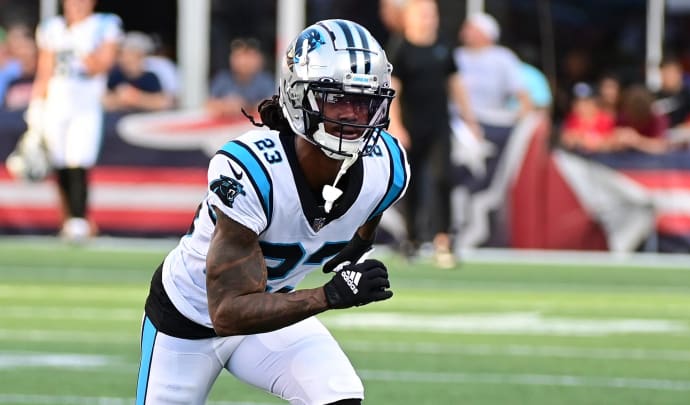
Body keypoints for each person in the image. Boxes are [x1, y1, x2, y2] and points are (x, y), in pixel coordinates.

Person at [135, 19, 409, 405]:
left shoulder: (389, 166)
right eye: (337, 99)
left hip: (273, 308)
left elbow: (373, 203)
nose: (351, 115)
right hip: (190, 319)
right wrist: (330, 295)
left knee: (340, 397)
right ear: (300, 97)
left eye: (363, 103)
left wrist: (361, 240)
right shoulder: (254, 170)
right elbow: (227, 312)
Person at [387, 0, 480, 269]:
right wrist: (397, 125)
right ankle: (412, 238)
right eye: (424, 14)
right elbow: (394, 89)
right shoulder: (400, 47)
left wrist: (469, 118)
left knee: (442, 179)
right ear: (410, 18)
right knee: (410, 183)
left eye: (432, 14)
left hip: (439, 124)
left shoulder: (443, 44)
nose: (429, 19)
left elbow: (455, 82)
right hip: (411, 126)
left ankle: (443, 241)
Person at [27, 0, 122, 240]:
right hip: (56, 102)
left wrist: (78, 42)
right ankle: (67, 220)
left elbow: (100, 66)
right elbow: (45, 70)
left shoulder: (104, 24)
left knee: (79, 159)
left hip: (85, 103)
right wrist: (36, 103)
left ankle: (80, 220)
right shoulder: (51, 27)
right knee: (59, 161)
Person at [454, 12, 532, 124]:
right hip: (457, 120)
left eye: (470, 28)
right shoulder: (456, 55)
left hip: (491, 121)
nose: (465, 31)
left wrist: (523, 121)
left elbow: (522, 92)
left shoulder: (503, 57)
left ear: (485, 34)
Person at [103, 31, 173, 112]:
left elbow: (163, 102)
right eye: (121, 54)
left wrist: (136, 97)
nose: (123, 58)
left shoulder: (151, 76)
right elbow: (103, 100)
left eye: (128, 53)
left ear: (139, 55)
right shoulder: (115, 75)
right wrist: (118, 99)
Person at [206, 37, 275, 119]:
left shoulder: (265, 80)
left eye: (249, 57)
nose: (244, 62)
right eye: (239, 56)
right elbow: (209, 104)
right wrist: (226, 106)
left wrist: (248, 106)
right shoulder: (223, 79)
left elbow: (273, 105)